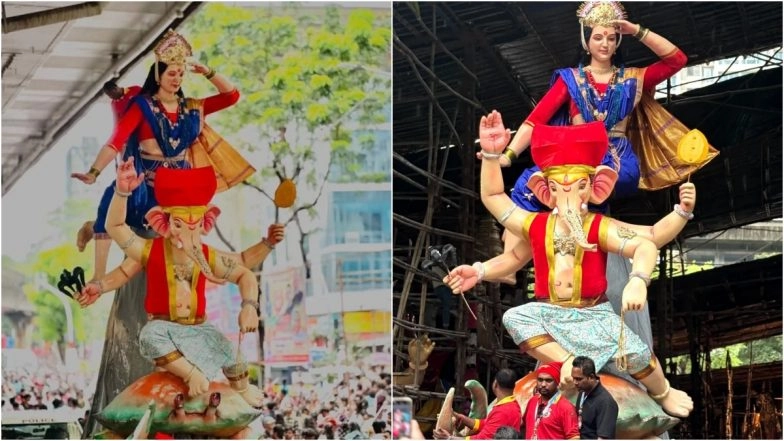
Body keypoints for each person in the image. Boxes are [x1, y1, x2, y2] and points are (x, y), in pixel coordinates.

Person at [445, 115, 695, 419]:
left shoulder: (597, 226)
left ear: (595, 187)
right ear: (545, 190)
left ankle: (664, 392)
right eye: (559, 188)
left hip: (593, 314)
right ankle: (569, 362)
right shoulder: (534, 224)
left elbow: (649, 239)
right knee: (516, 317)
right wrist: (481, 270)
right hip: (551, 313)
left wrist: (641, 275)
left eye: (578, 187)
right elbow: (496, 205)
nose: (569, 198)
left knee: (639, 354)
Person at [488, 1, 714, 282]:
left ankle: (516, 261)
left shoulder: (633, 78)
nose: (604, 44)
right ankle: (511, 265)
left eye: (611, 37)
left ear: (618, 40)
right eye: (597, 37)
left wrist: (637, 31)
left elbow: (676, 60)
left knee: (564, 187)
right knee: (527, 184)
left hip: (613, 160)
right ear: (586, 40)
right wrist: (507, 155)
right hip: (579, 157)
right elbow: (537, 119)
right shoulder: (571, 79)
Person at [76, 159, 263, 407]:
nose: (184, 233)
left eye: (194, 224)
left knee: (234, 356)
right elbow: (115, 227)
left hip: (199, 328)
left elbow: (245, 274)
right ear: (162, 222)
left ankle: (241, 388)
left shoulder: (207, 255)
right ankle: (190, 373)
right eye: (178, 224)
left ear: (206, 222)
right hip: (163, 328)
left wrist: (249, 306)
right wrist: (122, 191)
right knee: (149, 336)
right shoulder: (149, 250)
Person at [71, 29, 255, 281]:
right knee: (111, 208)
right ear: (158, 75)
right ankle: (98, 273)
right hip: (145, 186)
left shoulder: (190, 107)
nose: (177, 78)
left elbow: (231, 96)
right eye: (172, 73)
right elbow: (116, 141)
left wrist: (208, 72)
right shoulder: (143, 106)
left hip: (179, 189)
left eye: (180, 73)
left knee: (187, 235)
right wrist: (93, 172)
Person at [433, 369, 522, 440]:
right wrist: (463, 418)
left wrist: (450, 438)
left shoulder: (504, 411)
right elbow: (487, 425)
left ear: (495, 384)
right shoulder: (510, 405)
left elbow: (483, 439)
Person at [521, 362, 579, 440]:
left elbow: (574, 437)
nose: (543, 384)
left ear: (557, 382)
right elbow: (524, 426)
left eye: (548, 380)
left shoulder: (565, 407)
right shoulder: (533, 401)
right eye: (540, 380)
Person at [572, 356, 618, 440]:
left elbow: (603, 438)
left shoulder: (606, 402)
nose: (575, 382)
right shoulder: (582, 392)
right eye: (573, 378)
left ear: (591, 377)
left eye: (579, 379)